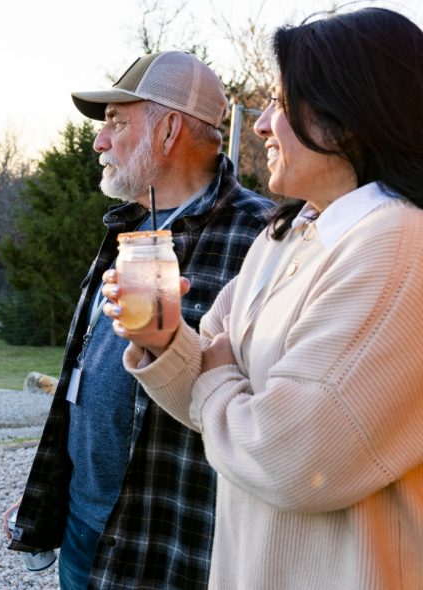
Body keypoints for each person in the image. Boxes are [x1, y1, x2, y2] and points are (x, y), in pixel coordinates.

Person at [106, 8, 423, 589]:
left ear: (346, 117)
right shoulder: (289, 235)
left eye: (279, 102)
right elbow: (209, 393)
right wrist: (165, 342)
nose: (260, 126)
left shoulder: (399, 245)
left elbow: (293, 456)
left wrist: (218, 372)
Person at [5, 51, 273, 589]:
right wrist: (52, 491)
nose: (99, 141)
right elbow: (88, 373)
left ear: (169, 130)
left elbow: (264, 415)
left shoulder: (262, 239)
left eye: (116, 122)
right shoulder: (129, 225)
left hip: (167, 550)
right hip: (83, 524)